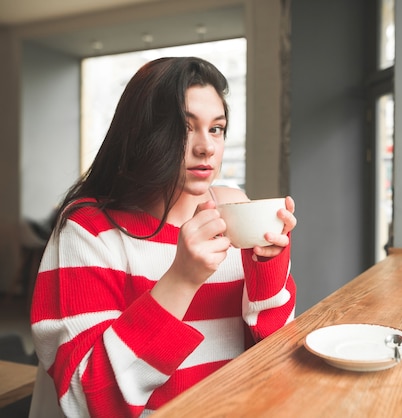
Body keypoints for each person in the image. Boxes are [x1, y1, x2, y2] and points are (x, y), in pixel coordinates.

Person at [29, 57, 297, 417]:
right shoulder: (87, 229)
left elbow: (277, 351)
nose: (207, 148)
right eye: (186, 128)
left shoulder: (236, 212)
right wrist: (182, 280)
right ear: (142, 132)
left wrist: (267, 268)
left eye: (216, 128)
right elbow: (88, 399)